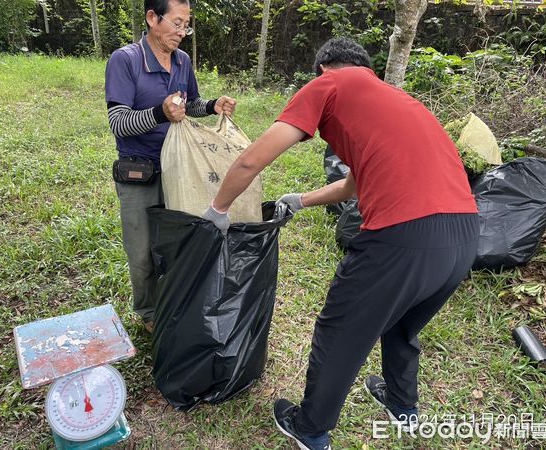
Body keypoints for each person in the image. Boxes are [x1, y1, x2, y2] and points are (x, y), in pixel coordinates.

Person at [203, 38, 479, 450]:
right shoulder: (399, 100)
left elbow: (251, 159)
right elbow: (354, 183)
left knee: (340, 329)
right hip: (464, 235)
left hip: (401, 238)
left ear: (323, 68)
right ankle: (402, 407)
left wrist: (218, 210)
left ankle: (310, 427)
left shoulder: (329, 85)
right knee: (402, 324)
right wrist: (300, 200)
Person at [105, 0, 236, 331]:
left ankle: (177, 301)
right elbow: (118, 122)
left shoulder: (182, 60)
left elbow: (188, 104)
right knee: (142, 251)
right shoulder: (125, 61)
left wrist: (211, 105)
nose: (182, 33)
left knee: (179, 242)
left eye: (186, 25)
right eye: (177, 24)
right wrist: (159, 114)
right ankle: (149, 312)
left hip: (180, 168)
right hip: (141, 172)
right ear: (152, 17)